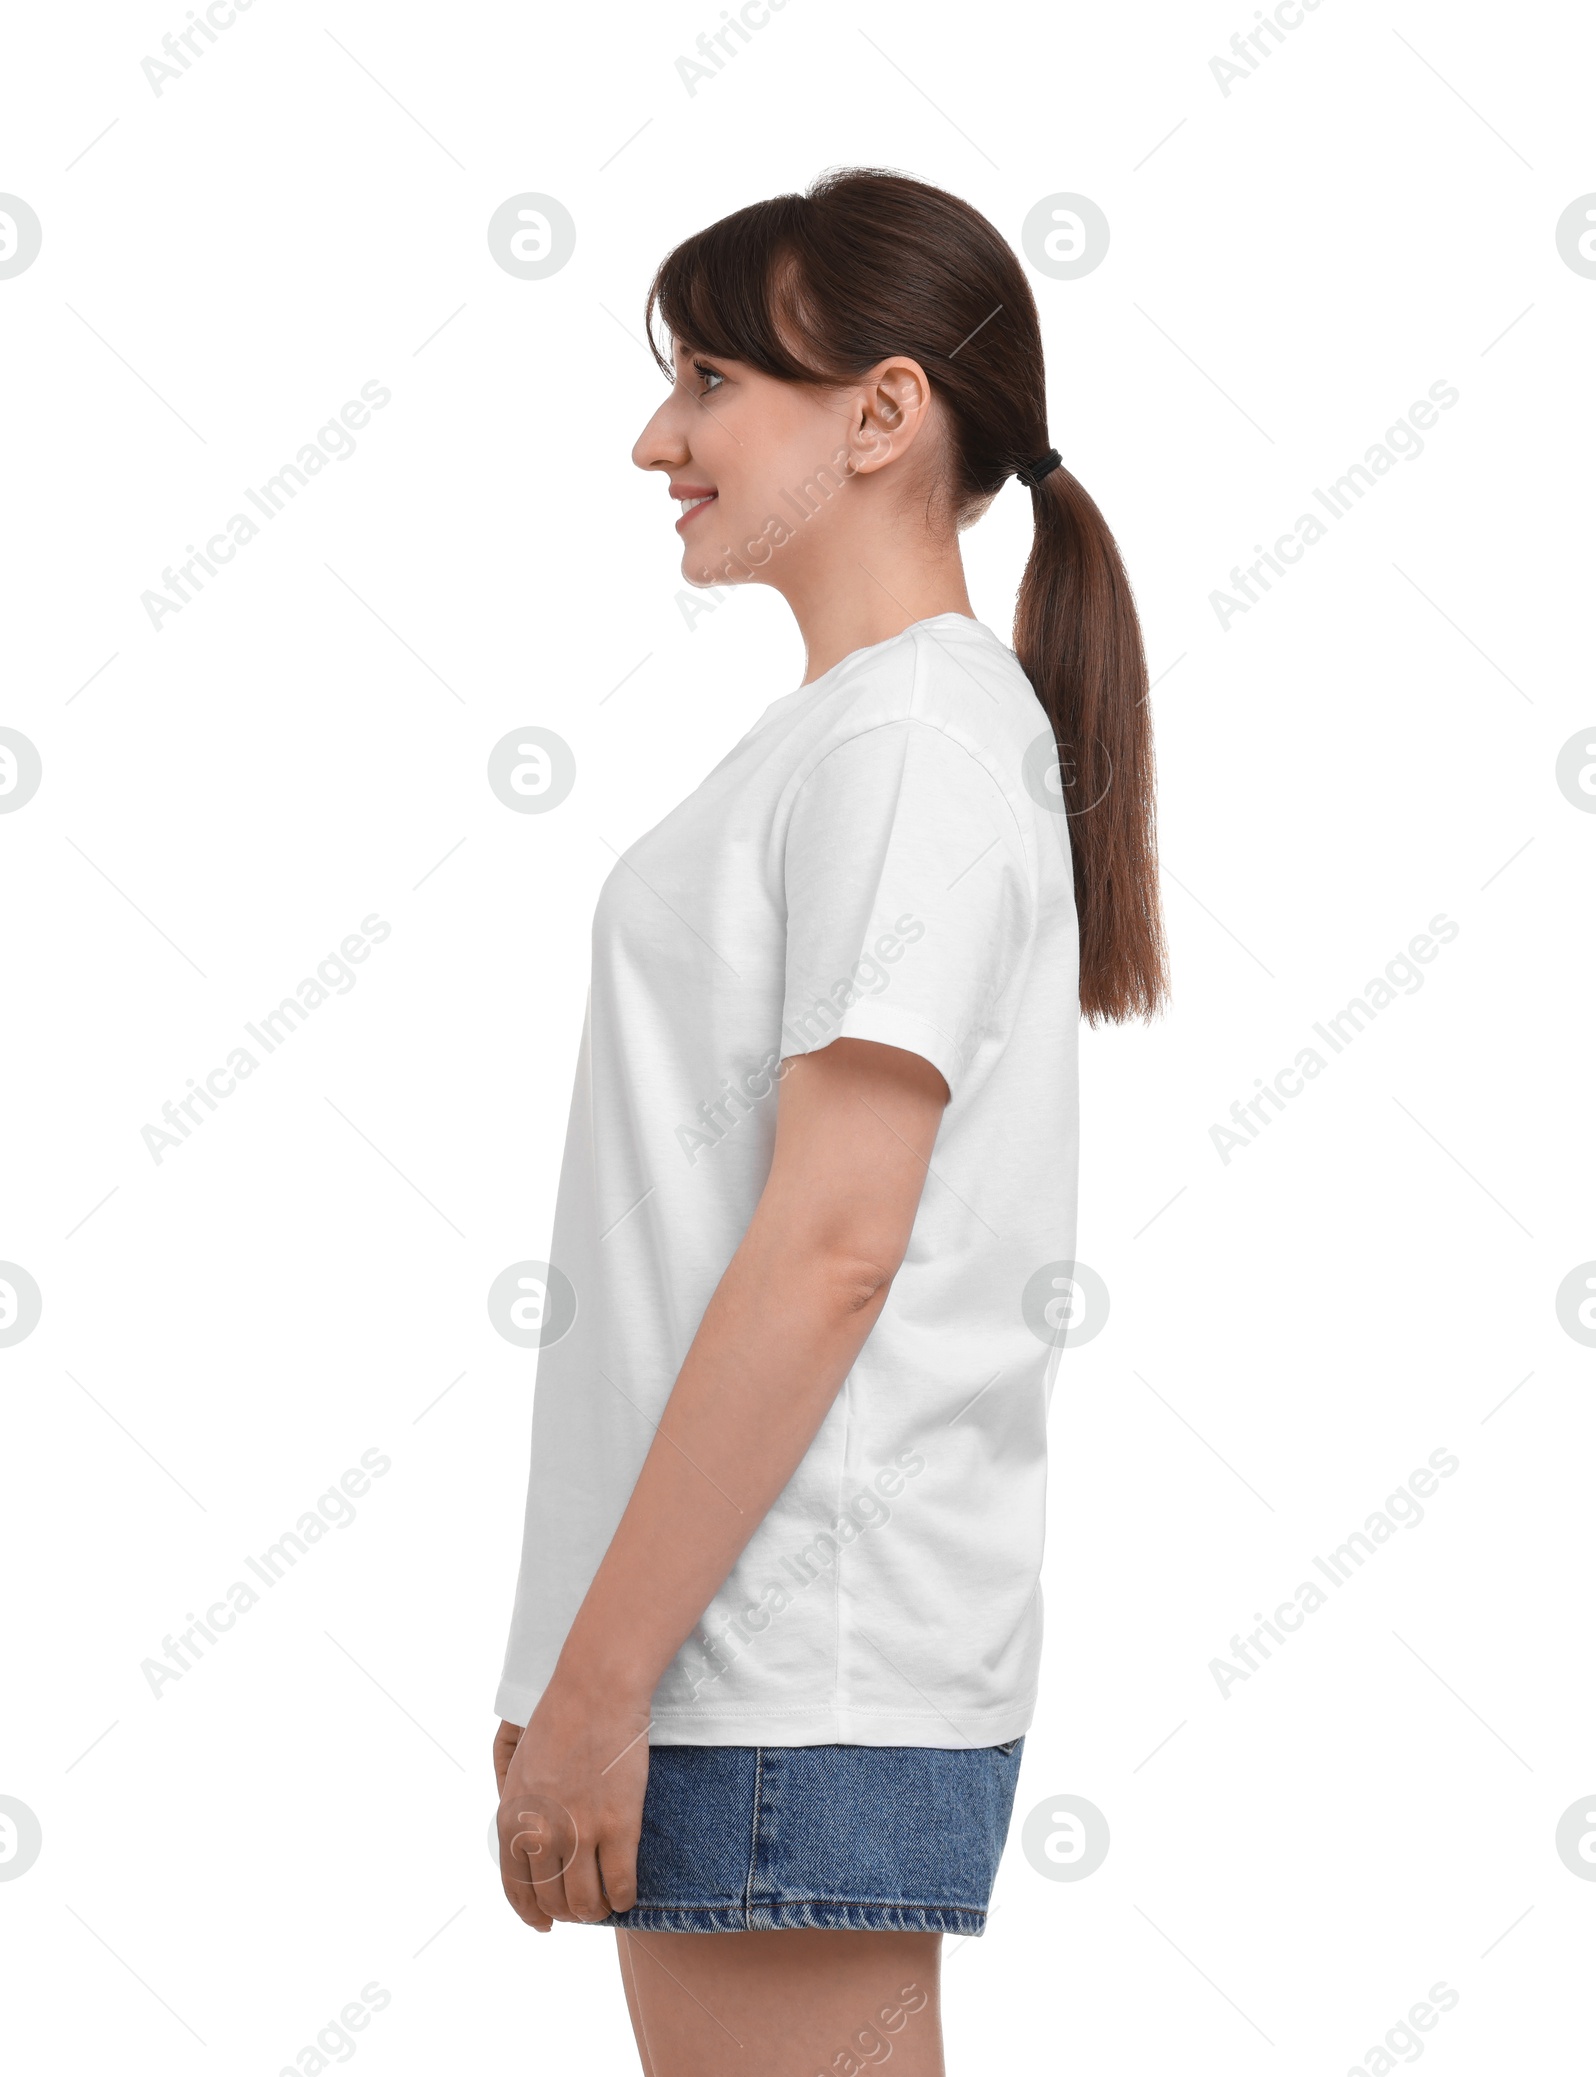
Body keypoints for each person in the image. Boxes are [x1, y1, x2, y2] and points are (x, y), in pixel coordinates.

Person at [492, 166, 1166, 2076]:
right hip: (746, 1667)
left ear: (881, 414)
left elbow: (833, 1248)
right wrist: (575, 1663)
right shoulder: (870, 733)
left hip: (780, 1667)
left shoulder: (911, 740)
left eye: (707, 378)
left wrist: (605, 1681)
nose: (657, 435)